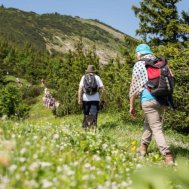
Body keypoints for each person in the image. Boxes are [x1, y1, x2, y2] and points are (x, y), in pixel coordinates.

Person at [129, 44, 174, 165]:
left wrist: (131, 105)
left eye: (136, 54)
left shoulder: (139, 64)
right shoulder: (160, 62)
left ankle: (167, 156)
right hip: (163, 99)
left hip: (148, 99)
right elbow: (172, 77)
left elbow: (133, 87)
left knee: (156, 128)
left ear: (139, 54)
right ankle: (143, 149)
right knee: (149, 123)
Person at [78, 65, 105, 130]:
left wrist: (79, 99)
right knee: (94, 114)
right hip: (95, 99)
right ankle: (94, 128)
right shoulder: (97, 77)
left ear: (87, 71)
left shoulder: (84, 77)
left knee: (86, 114)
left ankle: (85, 128)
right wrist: (103, 99)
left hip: (85, 99)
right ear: (94, 71)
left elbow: (80, 89)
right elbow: (103, 89)